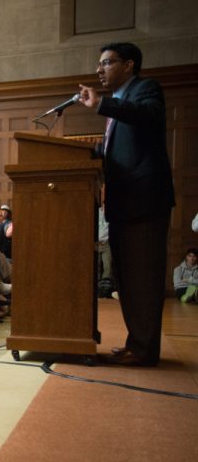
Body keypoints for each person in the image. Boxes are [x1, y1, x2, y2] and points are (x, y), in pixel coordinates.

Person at [78, 42, 175, 366]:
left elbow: (149, 116)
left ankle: (146, 350)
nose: (99, 70)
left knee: (144, 276)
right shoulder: (119, 104)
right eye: (99, 63)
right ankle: (138, 342)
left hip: (144, 202)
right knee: (128, 277)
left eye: (107, 63)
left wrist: (102, 104)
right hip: (122, 205)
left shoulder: (145, 90)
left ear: (129, 65)